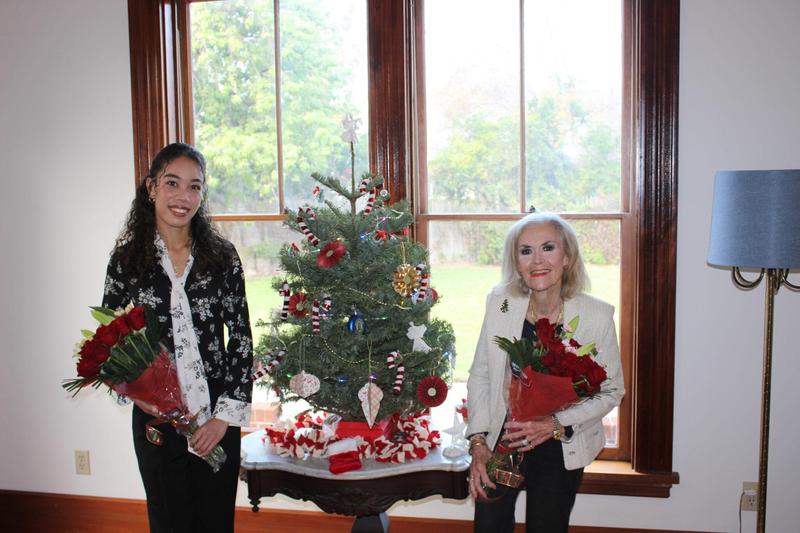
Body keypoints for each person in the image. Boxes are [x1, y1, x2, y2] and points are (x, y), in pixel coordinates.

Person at [102, 142, 253, 533]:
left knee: (215, 521)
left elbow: (240, 337)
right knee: (169, 522)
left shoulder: (222, 256)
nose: (183, 197)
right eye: (173, 183)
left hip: (216, 417)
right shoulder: (126, 262)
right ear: (151, 187)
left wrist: (223, 419)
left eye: (194, 187)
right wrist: (150, 400)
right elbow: (112, 344)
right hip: (156, 422)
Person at [466, 212, 624, 532]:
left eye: (548, 248)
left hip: (560, 444)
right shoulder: (500, 303)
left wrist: (555, 423)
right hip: (503, 437)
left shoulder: (597, 315)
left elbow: (612, 390)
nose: (537, 260)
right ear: (517, 263)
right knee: (489, 526)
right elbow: (481, 374)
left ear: (566, 257)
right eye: (526, 251)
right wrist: (479, 442)